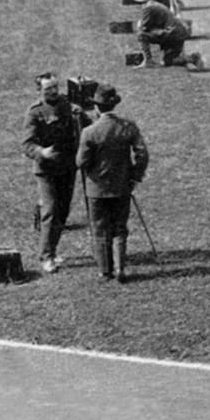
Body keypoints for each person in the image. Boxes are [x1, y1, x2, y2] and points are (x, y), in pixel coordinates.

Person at [76, 84, 147, 284]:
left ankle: (105, 271)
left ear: (96, 108)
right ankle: (120, 268)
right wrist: (134, 176)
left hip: (97, 189)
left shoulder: (89, 132)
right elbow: (142, 154)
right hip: (122, 186)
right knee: (119, 229)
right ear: (113, 105)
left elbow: (80, 162)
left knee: (100, 229)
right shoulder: (127, 126)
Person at [22, 74, 85, 274]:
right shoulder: (35, 113)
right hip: (47, 170)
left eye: (55, 86)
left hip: (68, 167)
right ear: (39, 90)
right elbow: (27, 144)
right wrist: (42, 152)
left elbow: (85, 124)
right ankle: (46, 256)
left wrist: (82, 114)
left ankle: (53, 249)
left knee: (63, 211)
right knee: (50, 210)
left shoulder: (68, 104)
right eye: (48, 88)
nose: (53, 91)